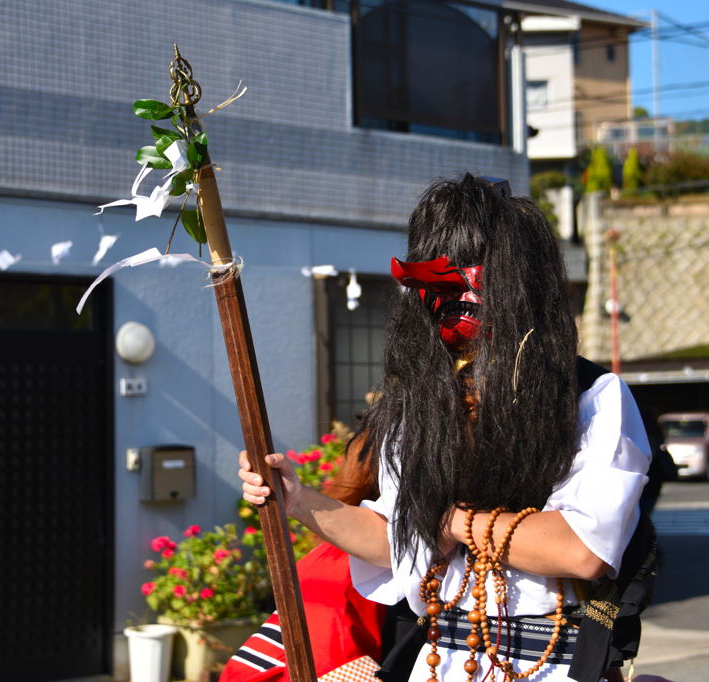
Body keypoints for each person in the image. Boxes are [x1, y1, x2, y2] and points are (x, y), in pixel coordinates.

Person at [239, 175, 652, 682]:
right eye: (437, 280)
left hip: (551, 664)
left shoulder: (593, 396)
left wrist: (449, 520)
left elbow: (581, 550)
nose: (454, 296)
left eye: (468, 276)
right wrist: (298, 500)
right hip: (442, 660)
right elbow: (396, 541)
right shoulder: (420, 403)